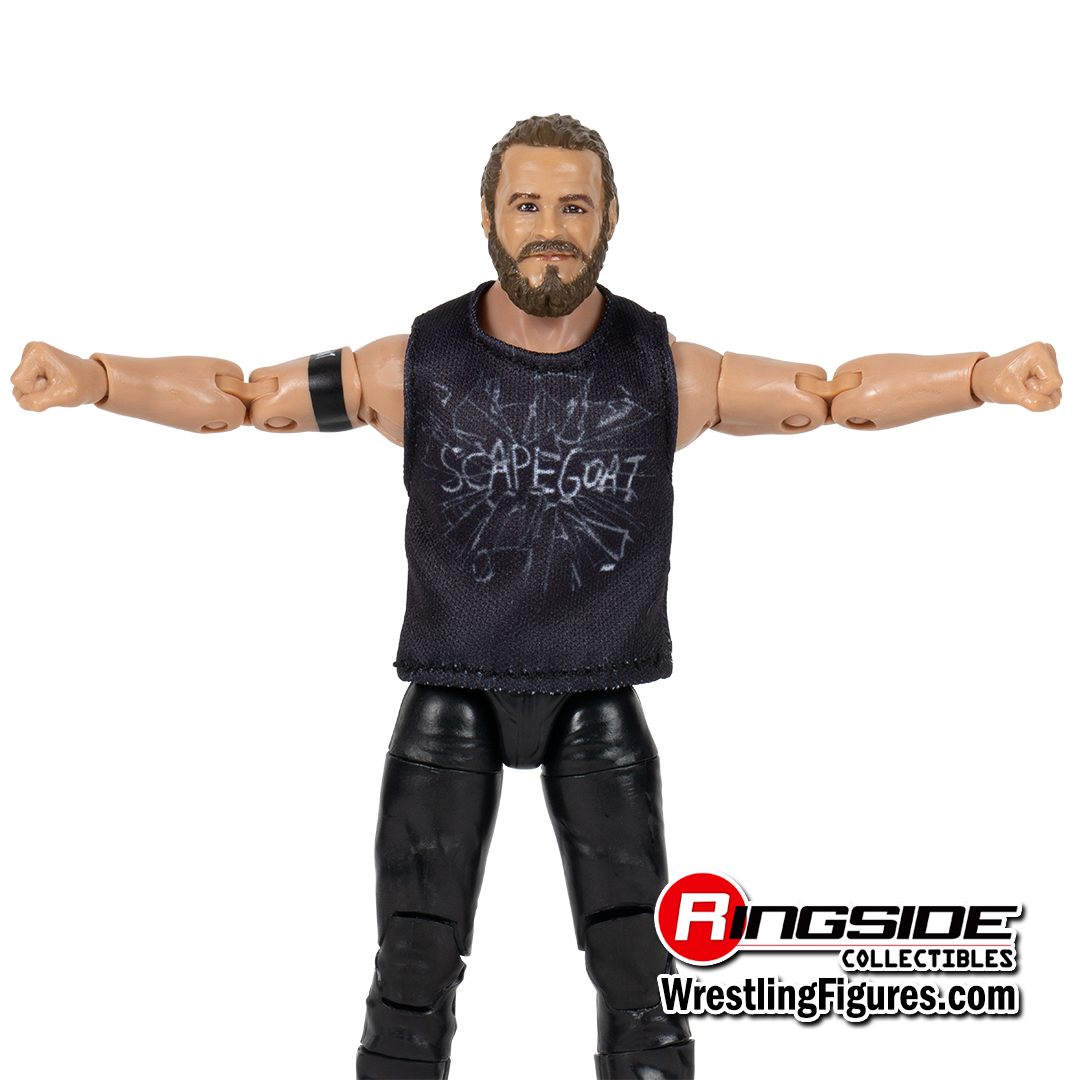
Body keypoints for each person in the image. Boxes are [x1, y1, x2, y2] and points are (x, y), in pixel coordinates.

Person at [10, 114, 1062, 1080]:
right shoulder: (415, 367)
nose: (550, 230)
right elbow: (245, 398)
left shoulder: (667, 371)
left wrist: (981, 377)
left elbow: (829, 395)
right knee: (413, 962)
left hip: (594, 692)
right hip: (454, 691)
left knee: (641, 969)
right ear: (487, 217)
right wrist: (97, 379)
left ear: (609, 218)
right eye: (527, 205)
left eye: (573, 206)